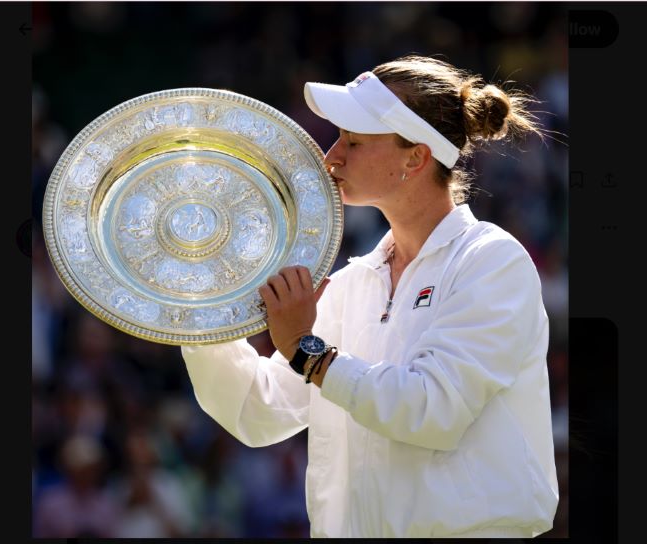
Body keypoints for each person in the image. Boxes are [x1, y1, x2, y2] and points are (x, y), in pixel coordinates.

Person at [181, 55, 559, 538]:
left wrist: (304, 349)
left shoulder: (491, 261)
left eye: (354, 142)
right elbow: (259, 411)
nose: (331, 156)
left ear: (416, 158)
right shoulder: (354, 281)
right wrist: (192, 303)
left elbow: (431, 411)